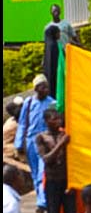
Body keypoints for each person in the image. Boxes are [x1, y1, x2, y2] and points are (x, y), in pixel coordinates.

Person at [14, 75, 55, 211]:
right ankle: (40, 198)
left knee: (43, 171)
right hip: (31, 141)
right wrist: (19, 143)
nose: (46, 89)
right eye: (43, 87)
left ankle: (42, 203)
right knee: (35, 171)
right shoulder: (29, 102)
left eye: (47, 87)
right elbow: (23, 123)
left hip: (45, 140)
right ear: (36, 89)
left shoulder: (52, 103)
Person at [35, 109, 74, 213]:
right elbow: (46, 159)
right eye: (54, 119)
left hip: (67, 181)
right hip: (52, 181)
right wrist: (61, 144)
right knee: (53, 209)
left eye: (59, 118)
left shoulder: (65, 134)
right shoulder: (41, 137)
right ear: (46, 121)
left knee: (70, 209)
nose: (58, 121)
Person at [42, 25, 62, 92]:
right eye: (58, 33)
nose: (60, 34)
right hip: (54, 73)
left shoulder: (48, 44)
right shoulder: (53, 45)